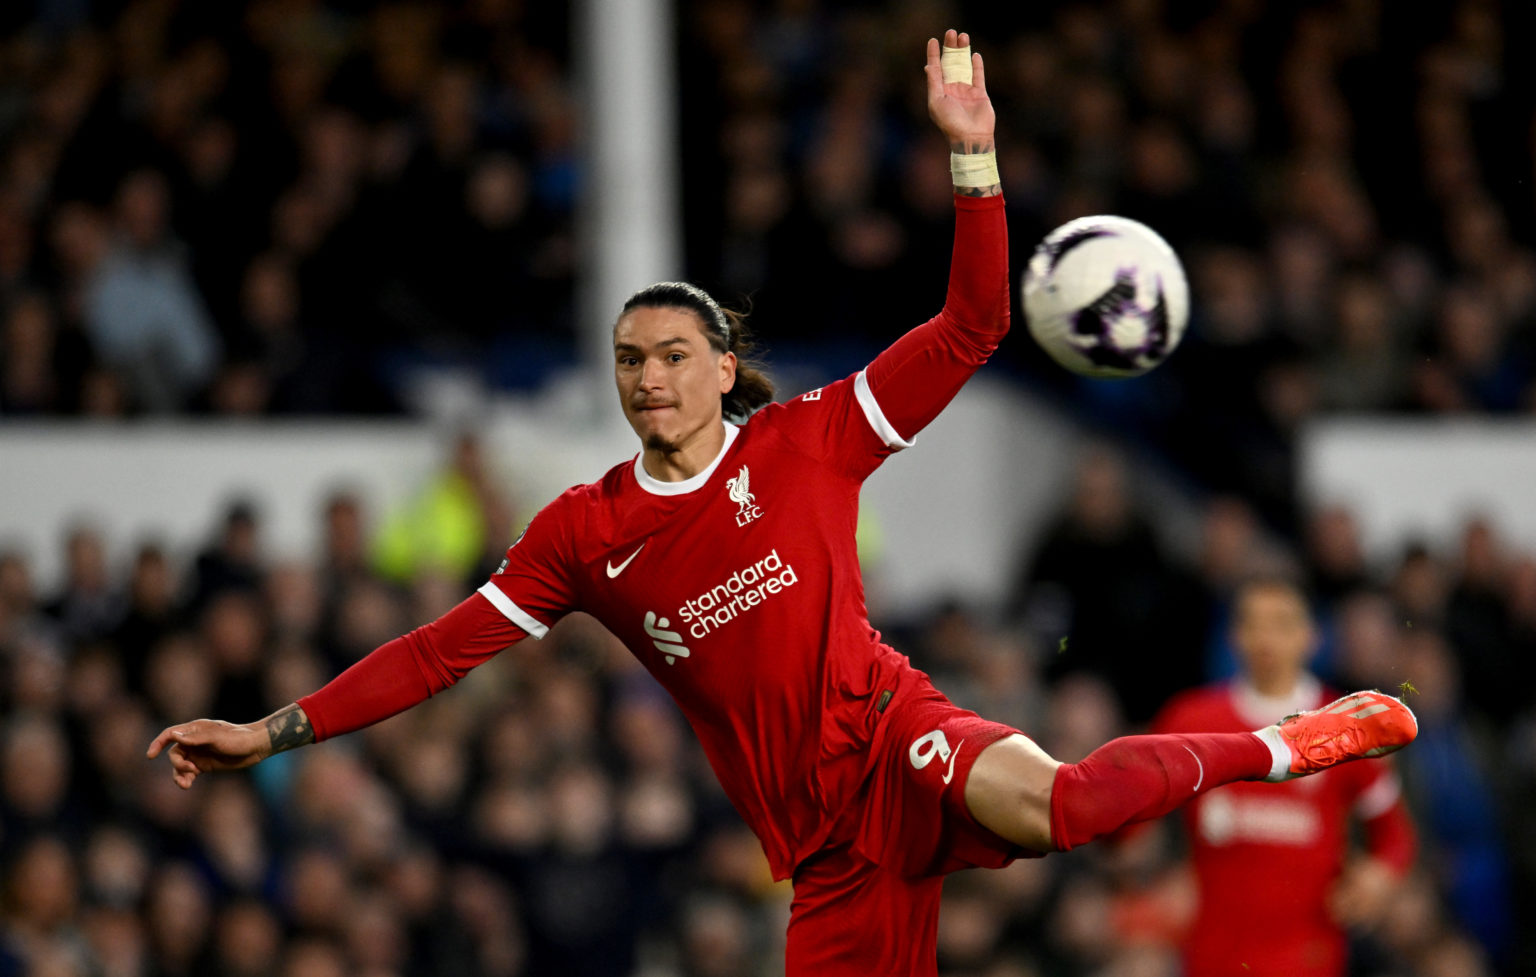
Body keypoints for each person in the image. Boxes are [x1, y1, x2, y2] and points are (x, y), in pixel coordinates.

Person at [148, 31, 1417, 977]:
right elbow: (437, 654)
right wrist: (276, 731)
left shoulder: (806, 442)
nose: (649, 377)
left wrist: (973, 151)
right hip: (819, 848)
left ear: (718, 363)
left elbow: (975, 323)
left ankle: (1298, 740)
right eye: (628, 361)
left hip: (896, 734)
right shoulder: (583, 534)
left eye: (671, 355)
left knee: (1061, 801)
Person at [1151, 577, 1417, 977]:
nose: (1266, 638)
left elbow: (1393, 835)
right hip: (1212, 955)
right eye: (1253, 624)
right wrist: (1158, 872)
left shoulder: (1348, 726)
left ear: (1310, 636)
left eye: (1281, 623)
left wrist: (1378, 879)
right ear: (1235, 636)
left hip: (1309, 955)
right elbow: (1137, 816)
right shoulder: (1190, 722)